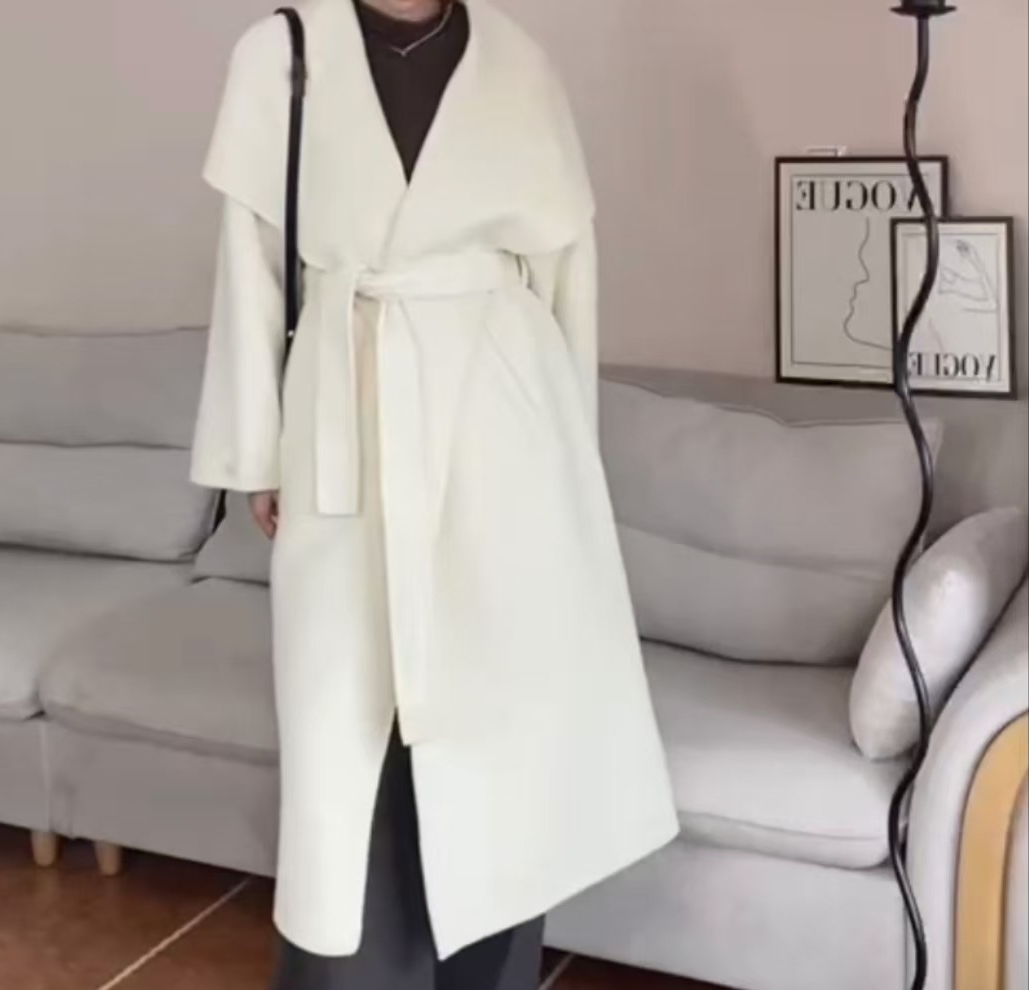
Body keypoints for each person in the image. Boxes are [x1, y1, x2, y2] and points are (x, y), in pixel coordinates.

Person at [190, 1, 679, 987]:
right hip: (346, 402)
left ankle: (491, 963)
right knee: (343, 717)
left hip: (504, 425)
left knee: (501, 709)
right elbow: (249, 265)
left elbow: (566, 271)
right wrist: (260, 455)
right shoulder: (280, 53)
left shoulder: (519, 62)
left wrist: (568, 459)